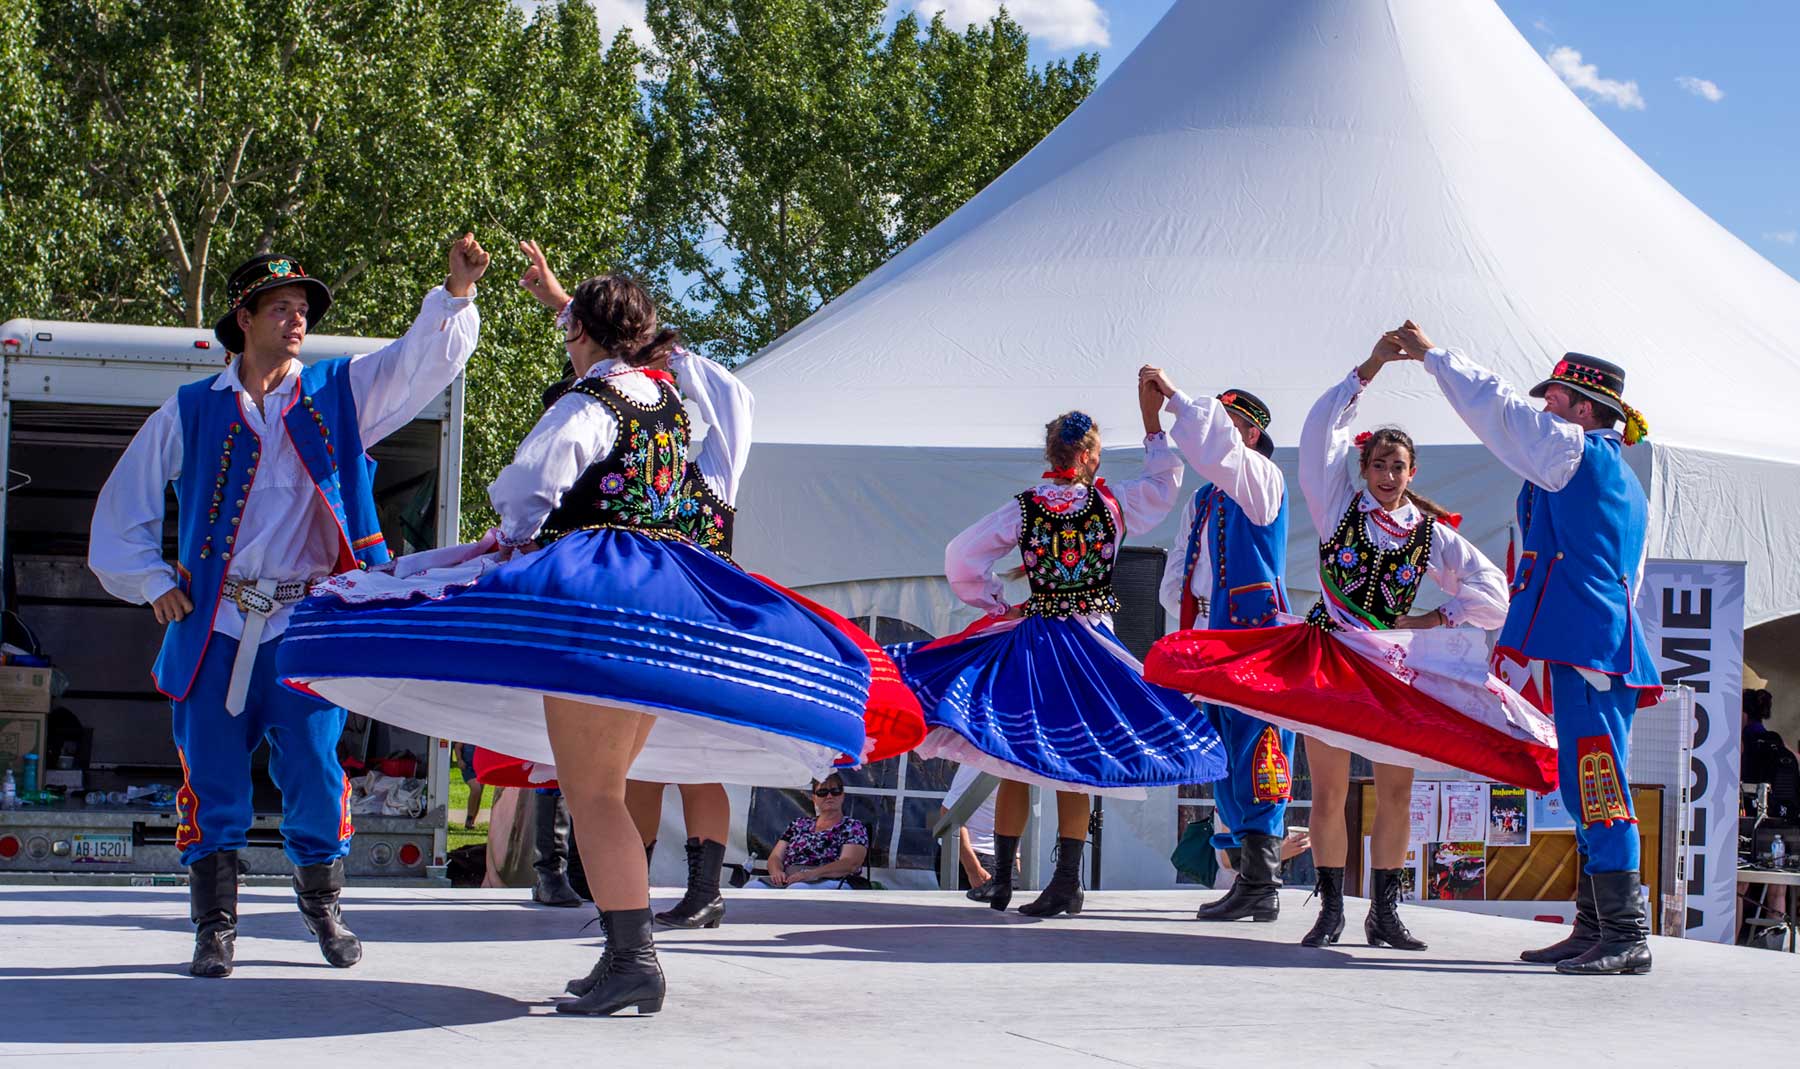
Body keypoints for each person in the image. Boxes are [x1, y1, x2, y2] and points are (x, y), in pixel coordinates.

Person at [277, 259, 872, 1017]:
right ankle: (623, 952)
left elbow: (530, 482)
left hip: (599, 608)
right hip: (662, 606)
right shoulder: (680, 407)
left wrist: (519, 543)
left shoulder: (590, 400)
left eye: (569, 331)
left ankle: (635, 960)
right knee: (606, 789)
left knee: (591, 792)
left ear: (583, 335)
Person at [88, 239, 488, 978]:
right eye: (282, 307)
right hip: (216, 626)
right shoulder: (191, 410)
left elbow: (413, 365)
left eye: (303, 308)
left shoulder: (337, 392)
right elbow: (123, 508)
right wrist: (152, 581)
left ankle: (323, 908)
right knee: (210, 776)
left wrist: (456, 294)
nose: (298, 318)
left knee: (314, 768)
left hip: (303, 624)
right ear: (243, 318)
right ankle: (215, 927)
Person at [1147, 336, 1551, 951]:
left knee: (1396, 792)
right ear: (1363, 469)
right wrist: (1370, 370)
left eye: (1399, 468)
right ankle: (1330, 909)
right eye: (1380, 466)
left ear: (1413, 474)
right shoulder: (1339, 509)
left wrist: (1425, 623)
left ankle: (1384, 914)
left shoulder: (1431, 536)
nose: (1389, 476)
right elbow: (1320, 433)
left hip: (1391, 667)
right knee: (1329, 792)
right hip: (1333, 657)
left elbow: (1491, 593)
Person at [890, 380, 1227, 918]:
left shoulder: (1022, 509)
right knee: (1075, 762)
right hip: (1090, 643)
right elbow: (1165, 484)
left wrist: (999, 604)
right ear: (1091, 456)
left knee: (1015, 761)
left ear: (1050, 454)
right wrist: (1151, 428)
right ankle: (1065, 882)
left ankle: (1002, 880)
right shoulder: (1114, 505)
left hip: (1036, 642)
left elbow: (961, 557)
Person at [1403, 320, 1662, 975]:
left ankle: (1626, 933)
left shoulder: (1574, 449)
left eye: (1556, 398)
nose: (1544, 406)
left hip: (1594, 650)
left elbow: (1500, 409)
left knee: (1602, 787)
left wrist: (1435, 355)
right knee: (1586, 784)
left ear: (1581, 407)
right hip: (1594, 645)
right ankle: (1596, 925)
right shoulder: (1620, 477)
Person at [1141, 368, 1296, 925]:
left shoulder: (1261, 477)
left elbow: (1216, 446)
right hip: (1210, 634)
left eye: (1231, 425)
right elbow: (1181, 565)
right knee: (1222, 752)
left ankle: (1265, 880)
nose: (1220, 435)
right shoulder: (1205, 497)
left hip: (1252, 637)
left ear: (1250, 435)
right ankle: (1250, 880)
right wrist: (1181, 629)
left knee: (1258, 749)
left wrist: (1178, 400)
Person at [764, 772, 871, 888]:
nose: (829, 796)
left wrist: (810, 874)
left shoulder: (853, 826)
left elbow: (850, 864)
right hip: (790, 877)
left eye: (835, 791)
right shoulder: (798, 824)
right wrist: (777, 873)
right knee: (753, 887)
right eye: (822, 792)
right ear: (814, 798)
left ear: (842, 795)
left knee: (798, 889)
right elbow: (775, 857)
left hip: (831, 879)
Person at [940, 762, 1006, 898]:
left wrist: (1017, 859)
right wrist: (973, 870)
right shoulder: (980, 760)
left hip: (1002, 856)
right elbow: (949, 812)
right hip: (976, 855)